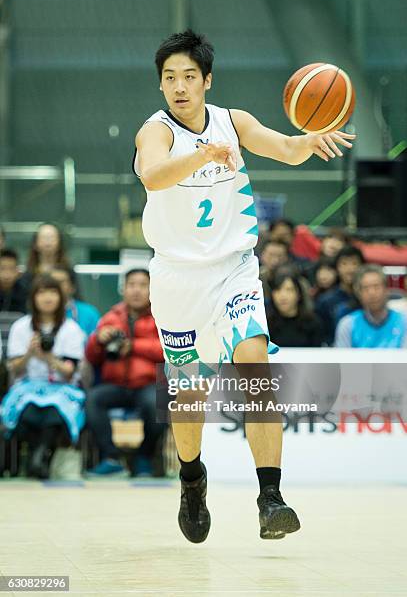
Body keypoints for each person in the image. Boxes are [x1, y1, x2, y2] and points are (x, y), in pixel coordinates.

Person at [133, 29, 355, 543]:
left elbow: (285, 148)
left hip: (234, 269)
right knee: (190, 397)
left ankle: (270, 497)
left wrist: (310, 140)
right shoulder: (156, 131)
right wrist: (202, 156)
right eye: (170, 78)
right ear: (161, 86)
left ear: (207, 80)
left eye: (189, 76)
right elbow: (153, 176)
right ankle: (192, 479)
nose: (179, 86)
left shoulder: (234, 122)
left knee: (256, 363)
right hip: (177, 280)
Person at [0, 275, 86, 479]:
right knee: (27, 411)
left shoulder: (71, 329)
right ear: (33, 297)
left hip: (62, 388)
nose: (47, 297)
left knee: (54, 412)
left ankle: (38, 457)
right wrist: (30, 353)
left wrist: (48, 357)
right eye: (41, 292)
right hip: (27, 386)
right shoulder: (21, 327)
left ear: (61, 297)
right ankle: (39, 457)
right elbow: (13, 369)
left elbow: (69, 372)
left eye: (52, 292)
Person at [85, 269, 164, 476]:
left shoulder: (162, 316)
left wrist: (134, 346)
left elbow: (167, 350)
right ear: (124, 289)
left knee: (159, 402)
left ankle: (144, 458)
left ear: (152, 289)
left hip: (149, 384)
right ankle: (111, 459)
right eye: (131, 285)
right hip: (116, 384)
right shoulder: (111, 317)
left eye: (142, 285)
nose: (136, 290)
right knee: (93, 399)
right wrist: (98, 340)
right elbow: (92, 357)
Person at [335, 265, 407, 348]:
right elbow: (342, 359)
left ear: (387, 289)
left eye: (376, 287)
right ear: (358, 293)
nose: (372, 293)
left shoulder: (404, 322)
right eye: (366, 288)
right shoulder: (347, 325)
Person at [315, 246, 365, 345]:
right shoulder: (325, 301)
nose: (350, 269)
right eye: (344, 264)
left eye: (354, 263)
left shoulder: (368, 298)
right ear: (337, 268)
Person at [266, 268, 324, 347]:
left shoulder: (313, 323)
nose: (283, 296)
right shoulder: (266, 324)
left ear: (298, 294)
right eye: (277, 290)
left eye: (289, 290)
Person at [21, 223, 74, 292]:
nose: (48, 241)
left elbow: (76, 298)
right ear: (35, 243)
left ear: (59, 242)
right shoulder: (28, 274)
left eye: (52, 237)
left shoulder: (68, 272)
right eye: (44, 237)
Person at [50, 266, 100, 338]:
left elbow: (95, 346)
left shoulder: (89, 313)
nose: (56, 286)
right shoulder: (37, 314)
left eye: (61, 282)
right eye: (52, 282)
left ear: (72, 287)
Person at [0, 249, 28, 313]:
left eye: (11, 269)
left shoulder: (25, 291)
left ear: (17, 271)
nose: (7, 274)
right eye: (2, 268)